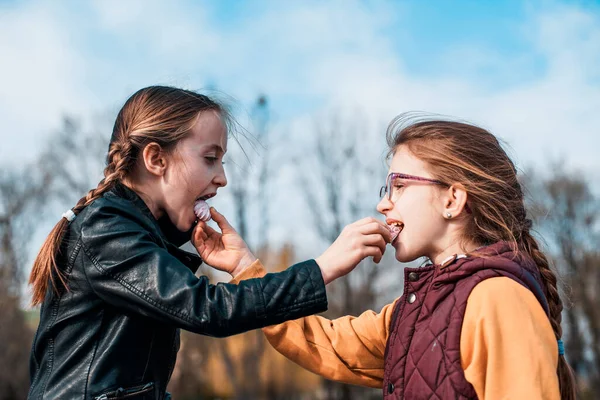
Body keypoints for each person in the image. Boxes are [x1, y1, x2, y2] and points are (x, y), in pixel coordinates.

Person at [27, 86, 390, 400]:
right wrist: (323, 267)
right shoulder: (106, 229)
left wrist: (240, 264)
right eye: (210, 158)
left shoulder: (134, 233)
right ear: (156, 159)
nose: (222, 178)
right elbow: (206, 308)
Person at [207, 114, 577, 399]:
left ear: (452, 199)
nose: (383, 203)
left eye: (399, 185)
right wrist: (245, 268)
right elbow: (323, 343)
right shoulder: (412, 309)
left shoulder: (499, 299)